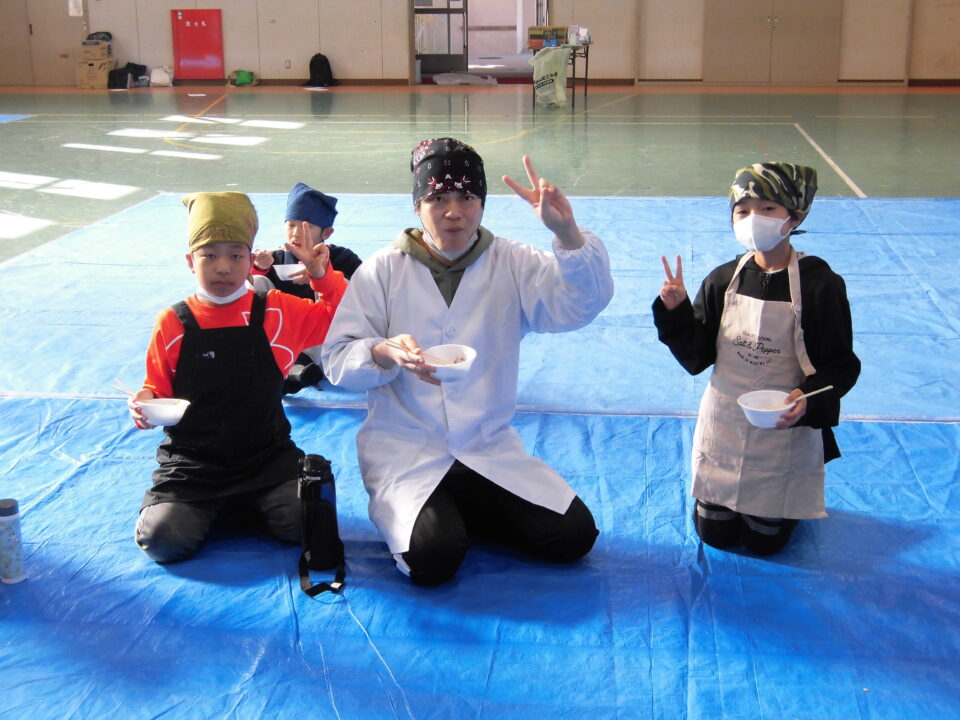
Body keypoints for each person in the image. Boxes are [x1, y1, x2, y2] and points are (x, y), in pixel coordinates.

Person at [321, 138, 614, 586]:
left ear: (482, 203)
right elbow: (337, 359)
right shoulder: (383, 269)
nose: (453, 212)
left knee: (573, 536)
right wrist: (383, 351)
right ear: (417, 205)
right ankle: (436, 519)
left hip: (485, 445)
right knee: (432, 560)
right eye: (438, 198)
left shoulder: (513, 262)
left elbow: (578, 305)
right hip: (408, 450)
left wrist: (568, 233)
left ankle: (456, 512)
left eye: (467, 197)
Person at [652, 162, 860, 556]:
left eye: (767, 209)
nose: (752, 219)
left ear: (795, 216)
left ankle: (778, 509)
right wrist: (675, 311)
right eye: (742, 210)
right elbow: (698, 355)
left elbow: (841, 365)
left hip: (783, 423)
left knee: (765, 542)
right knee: (715, 534)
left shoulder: (820, 285)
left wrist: (807, 399)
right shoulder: (722, 279)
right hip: (725, 421)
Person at [128, 191, 347, 564]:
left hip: (266, 457)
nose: (223, 268)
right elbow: (156, 389)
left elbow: (340, 317)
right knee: (162, 539)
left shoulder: (277, 310)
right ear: (189, 261)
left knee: (309, 521)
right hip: (193, 464)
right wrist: (144, 404)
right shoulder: (172, 322)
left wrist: (320, 275)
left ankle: (231, 507)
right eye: (209, 256)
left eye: (235, 255)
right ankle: (228, 507)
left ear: (250, 261)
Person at [251, 183, 362, 394]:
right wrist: (257, 267)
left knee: (344, 286)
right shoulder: (276, 258)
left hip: (325, 340)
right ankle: (281, 361)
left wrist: (321, 276)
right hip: (284, 336)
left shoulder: (342, 258)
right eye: (291, 225)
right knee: (256, 284)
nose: (296, 233)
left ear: (326, 232)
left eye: (306, 227)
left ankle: (309, 363)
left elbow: (366, 291)